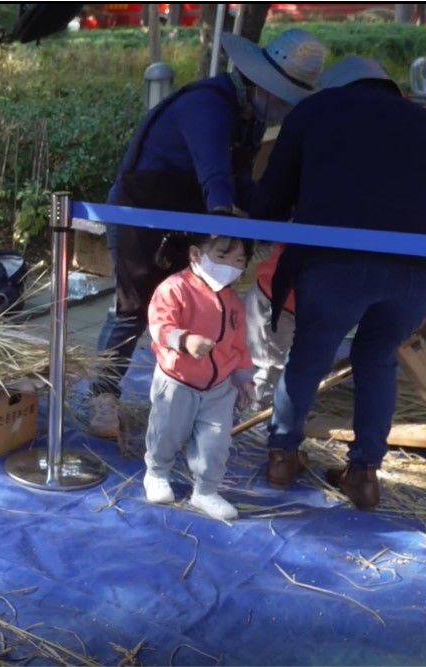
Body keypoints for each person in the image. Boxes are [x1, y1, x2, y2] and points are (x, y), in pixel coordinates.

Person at [87, 29, 327, 440]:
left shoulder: (249, 118)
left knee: (194, 307)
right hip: (141, 210)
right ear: (259, 82)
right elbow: (215, 176)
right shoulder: (207, 104)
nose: (283, 108)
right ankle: (102, 396)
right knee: (133, 308)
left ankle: (185, 395)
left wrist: (277, 216)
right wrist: (222, 225)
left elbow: (238, 181)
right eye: (282, 97)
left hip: (188, 214)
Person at [253, 55, 426, 509]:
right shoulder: (421, 119)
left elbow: (271, 200)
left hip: (335, 263)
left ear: (335, 86)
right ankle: (365, 475)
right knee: (378, 362)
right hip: (415, 268)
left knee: (308, 356)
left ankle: (282, 457)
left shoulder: (315, 109)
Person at [143, 234, 256, 521]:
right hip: (177, 380)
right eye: (222, 257)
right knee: (167, 431)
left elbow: (239, 345)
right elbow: (160, 326)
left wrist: (244, 378)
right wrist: (184, 340)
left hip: (219, 387)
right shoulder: (174, 288)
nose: (230, 266)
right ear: (196, 254)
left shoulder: (234, 302)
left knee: (216, 441)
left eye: (239, 260)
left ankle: (206, 491)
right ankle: (157, 473)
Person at [242, 243, 296, 411]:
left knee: (268, 367)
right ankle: (256, 413)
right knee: (266, 368)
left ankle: (257, 409)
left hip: (285, 297)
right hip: (277, 299)